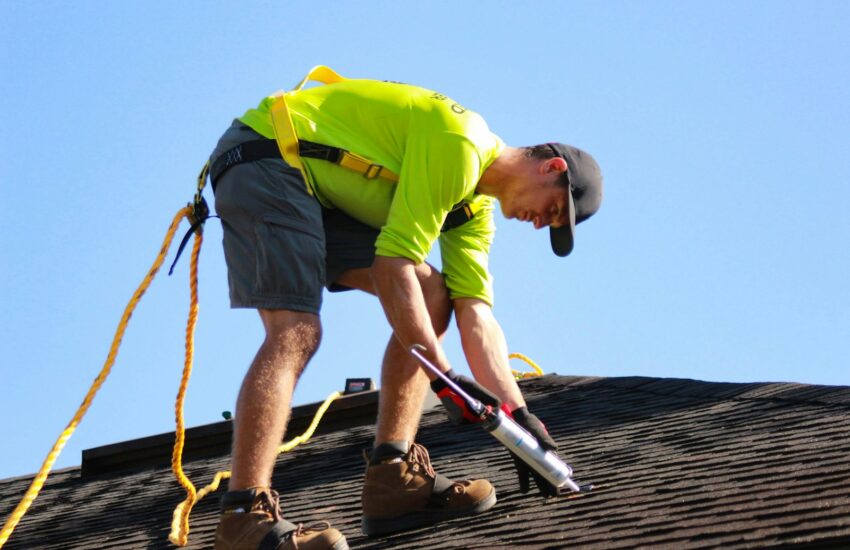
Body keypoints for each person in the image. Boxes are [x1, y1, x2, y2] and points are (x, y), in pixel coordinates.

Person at [208, 66, 603, 550]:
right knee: (296, 331)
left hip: (320, 189)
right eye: (555, 210)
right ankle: (242, 518)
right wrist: (442, 373)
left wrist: (520, 419)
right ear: (553, 168)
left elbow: (475, 315)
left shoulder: (472, 210)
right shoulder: (460, 143)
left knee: (435, 294)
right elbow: (394, 265)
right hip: (269, 156)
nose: (543, 224)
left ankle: (392, 481)